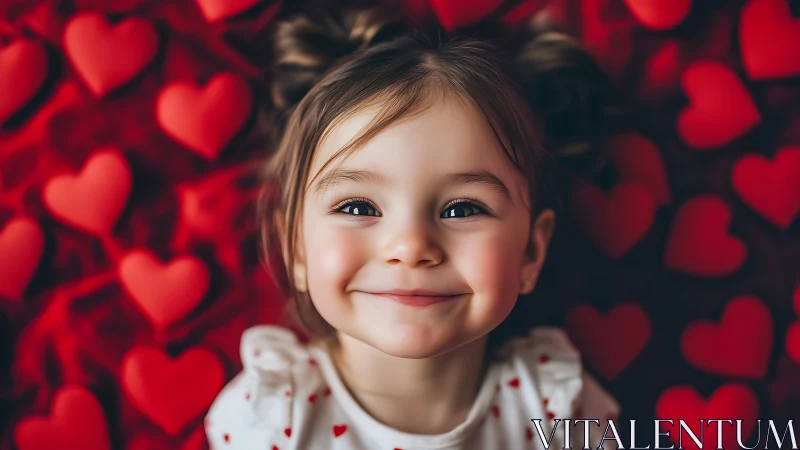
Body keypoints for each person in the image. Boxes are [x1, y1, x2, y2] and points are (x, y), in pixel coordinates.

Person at [205, 5, 621, 449]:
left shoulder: (559, 407)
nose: (411, 246)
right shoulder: (268, 418)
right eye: (359, 207)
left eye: (462, 210)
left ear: (531, 253)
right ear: (298, 249)